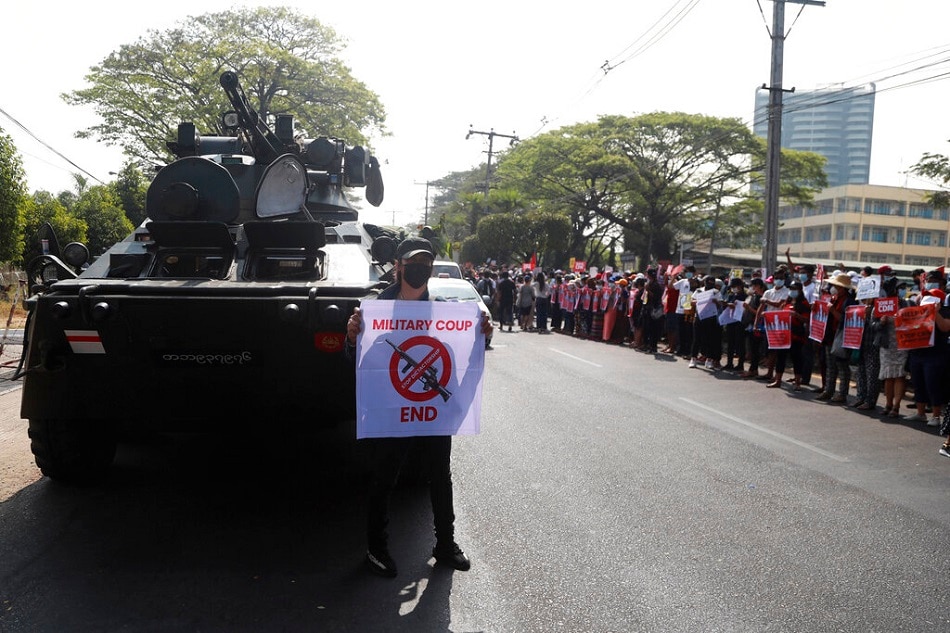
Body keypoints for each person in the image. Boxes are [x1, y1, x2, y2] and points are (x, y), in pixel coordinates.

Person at [344, 237, 493, 578]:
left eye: (426, 264)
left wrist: (482, 333)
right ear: (397, 266)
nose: (419, 270)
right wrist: (352, 337)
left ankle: (445, 544)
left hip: (431, 409)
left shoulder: (443, 311)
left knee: (440, 476)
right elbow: (357, 364)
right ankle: (376, 548)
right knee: (385, 478)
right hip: (390, 409)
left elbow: (455, 355)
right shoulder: (374, 310)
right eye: (412, 263)